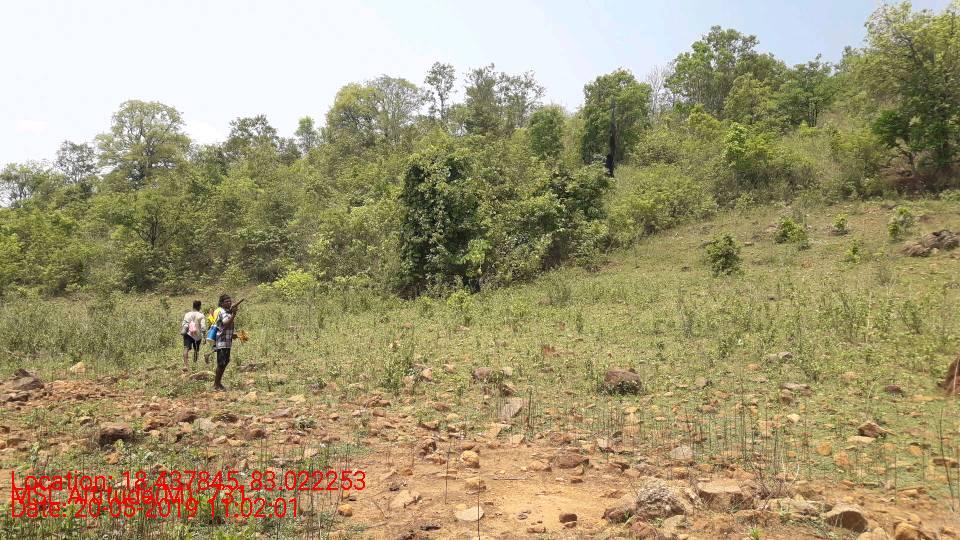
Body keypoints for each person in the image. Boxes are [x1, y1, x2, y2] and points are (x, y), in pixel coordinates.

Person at [212, 293, 240, 391]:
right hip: (222, 341)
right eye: (226, 301)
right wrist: (234, 314)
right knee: (222, 363)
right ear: (221, 303)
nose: (229, 303)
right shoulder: (223, 312)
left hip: (227, 341)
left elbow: (225, 328)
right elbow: (226, 324)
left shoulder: (228, 312)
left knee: (225, 361)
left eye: (230, 301)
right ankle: (216, 384)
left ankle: (218, 383)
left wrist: (233, 335)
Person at [180, 300, 207, 370]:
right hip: (197, 336)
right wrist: (204, 337)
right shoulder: (201, 315)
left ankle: (185, 365)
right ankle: (194, 364)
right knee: (196, 350)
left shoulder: (187, 314)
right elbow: (203, 327)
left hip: (188, 334)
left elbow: (184, 324)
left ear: (193, 306)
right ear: (199, 306)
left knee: (186, 348)